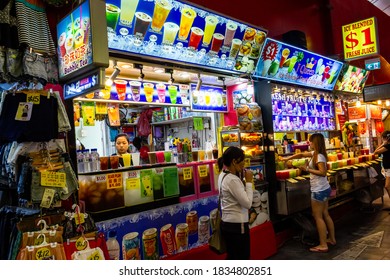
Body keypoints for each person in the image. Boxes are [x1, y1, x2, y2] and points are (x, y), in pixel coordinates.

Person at [280, 133, 336, 252]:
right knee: (326, 214)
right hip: (324, 188)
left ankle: (323, 245)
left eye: (310, 142)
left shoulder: (319, 156)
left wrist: (307, 169)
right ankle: (331, 239)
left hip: (319, 190)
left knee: (318, 217)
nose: (309, 143)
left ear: (315, 143)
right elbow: (300, 154)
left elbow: (323, 172)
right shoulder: (315, 154)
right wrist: (286, 158)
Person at [217, 146, 253, 259]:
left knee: (233, 256)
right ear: (234, 161)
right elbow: (247, 204)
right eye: (242, 160)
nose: (244, 163)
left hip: (227, 224)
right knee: (242, 257)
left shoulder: (222, 175)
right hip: (237, 226)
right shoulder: (232, 179)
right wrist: (248, 182)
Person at [373, 130, 390, 199]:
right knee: (388, 186)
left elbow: (375, 152)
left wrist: (383, 144)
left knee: (387, 186)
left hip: (389, 169)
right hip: (388, 169)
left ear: (386, 138)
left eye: (382, 138)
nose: (382, 139)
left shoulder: (387, 146)